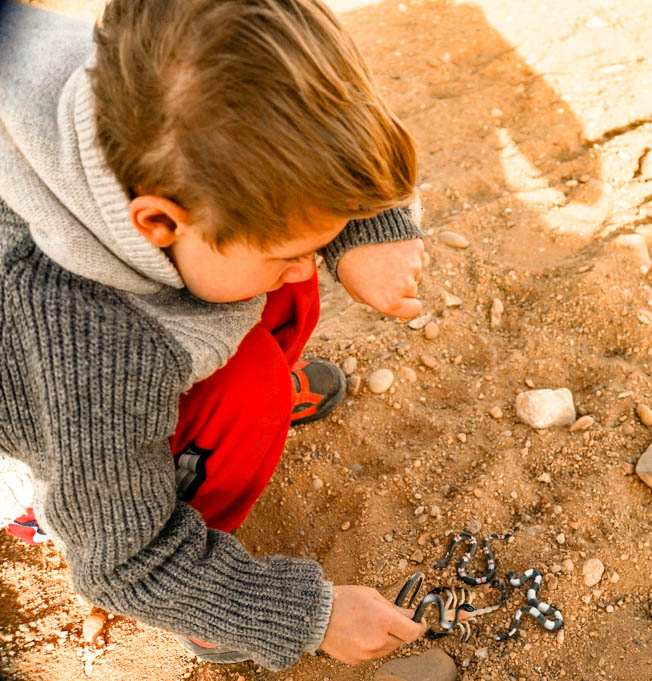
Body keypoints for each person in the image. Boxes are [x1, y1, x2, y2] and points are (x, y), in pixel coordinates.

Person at [0, 0, 431, 670]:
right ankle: (204, 609)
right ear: (158, 222)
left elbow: (313, 119)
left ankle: (203, 425)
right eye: (288, 247)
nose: (301, 264)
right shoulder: (91, 342)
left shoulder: (162, 77)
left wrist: (367, 227)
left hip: (121, 336)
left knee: (285, 291)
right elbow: (123, 557)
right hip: (48, 433)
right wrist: (304, 616)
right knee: (247, 392)